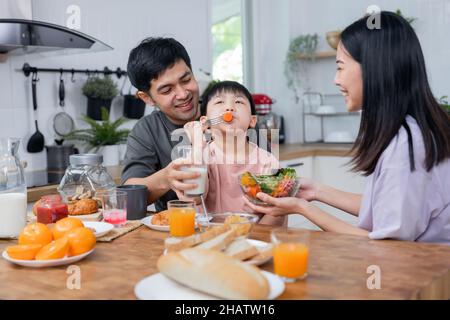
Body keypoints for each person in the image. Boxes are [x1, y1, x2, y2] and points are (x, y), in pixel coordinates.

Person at [243, 11, 450, 243]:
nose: (336, 79)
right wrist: (316, 192)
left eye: (340, 67)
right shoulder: (410, 132)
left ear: (373, 68)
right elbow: (384, 209)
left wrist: (303, 208)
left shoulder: (405, 146)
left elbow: (390, 247)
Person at [183, 81, 284, 225]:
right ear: (205, 122)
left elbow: (278, 212)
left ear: (252, 120)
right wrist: (198, 146)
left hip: (255, 240)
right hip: (209, 239)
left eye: (238, 102)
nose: (229, 107)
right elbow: (195, 197)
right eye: (219, 102)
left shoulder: (267, 162)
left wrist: (250, 238)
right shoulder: (200, 156)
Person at [122, 37, 204, 211]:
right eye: (167, 90)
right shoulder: (147, 130)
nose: (182, 94)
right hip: (180, 229)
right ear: (147, 98)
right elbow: (128, 197)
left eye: (186, 80)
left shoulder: (225, 113)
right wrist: (167, 177)